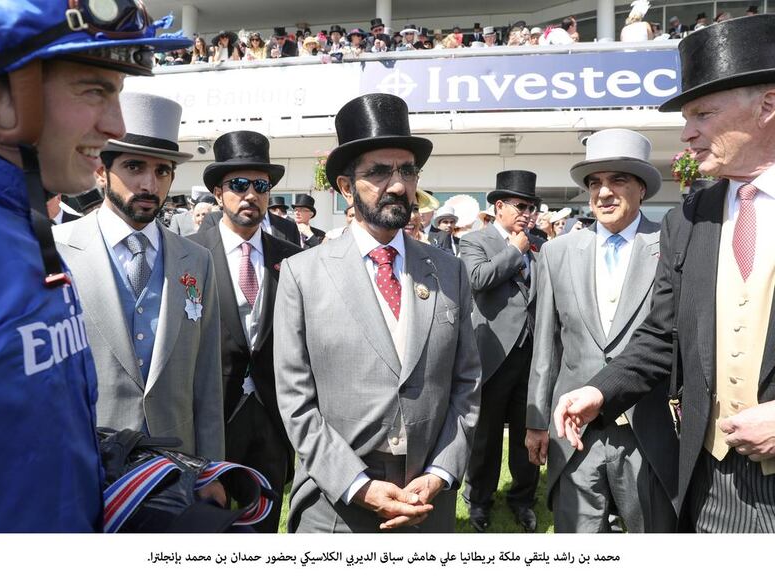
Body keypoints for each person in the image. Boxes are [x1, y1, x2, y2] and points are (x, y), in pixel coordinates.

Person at [554, 14, 775, 533]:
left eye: (702, 113)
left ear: (768, 104)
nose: (687, 132)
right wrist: (600, 391)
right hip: (711, 482)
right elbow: (663, 333)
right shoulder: (689, 219)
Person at [0, 0, 190, 532]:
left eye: (117, 93)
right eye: (94, 89)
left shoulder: (21, 228)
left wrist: (118, 470)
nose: (115, 124)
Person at [274, 93, 481, 533]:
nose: (398, 185)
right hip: (337, 506)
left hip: (428, 504)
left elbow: (466, 384)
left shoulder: (450, 271)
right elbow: (295, 401)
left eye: (407, 170)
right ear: (346, 188)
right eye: (379, 172)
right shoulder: (301, 275)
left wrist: (441, 473)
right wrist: (356, 485)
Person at [53, 93, 226, 506]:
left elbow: (206, 378)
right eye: (134, 167)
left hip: (175, 473)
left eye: (162, 171)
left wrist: (210, 469)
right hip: (82, 469)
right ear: (100, 170)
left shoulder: (196, 260)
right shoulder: (56, 250)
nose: (150, 184)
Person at [526, 128, 677, 533]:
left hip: (648, 428)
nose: (604, 192)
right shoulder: (557, 253)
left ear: (642, 188)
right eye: (595, 183)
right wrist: (536, 419)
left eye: (618, 180)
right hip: (574, 434)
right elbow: (546, 346)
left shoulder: (671, 244)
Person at [190, 130, 302, 532]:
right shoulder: (188, 252)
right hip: (212, 418)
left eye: (261, 185)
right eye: (238, 185)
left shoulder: (291, 259)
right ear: (218, 193)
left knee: (265, 521)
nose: (250, 194)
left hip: (272, 415)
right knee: (211, 527)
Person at [459, 170, 545, 533]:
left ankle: (523, 498)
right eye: (521, 206)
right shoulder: (474, 241)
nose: (528, 213)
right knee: (487, 436)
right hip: (492, 355)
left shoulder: (540, 243)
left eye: (533, 207)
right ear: (498, 206)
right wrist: (514, 250)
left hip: (532, 353)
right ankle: (479, 499)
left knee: (531, 431)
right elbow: (477, 279)